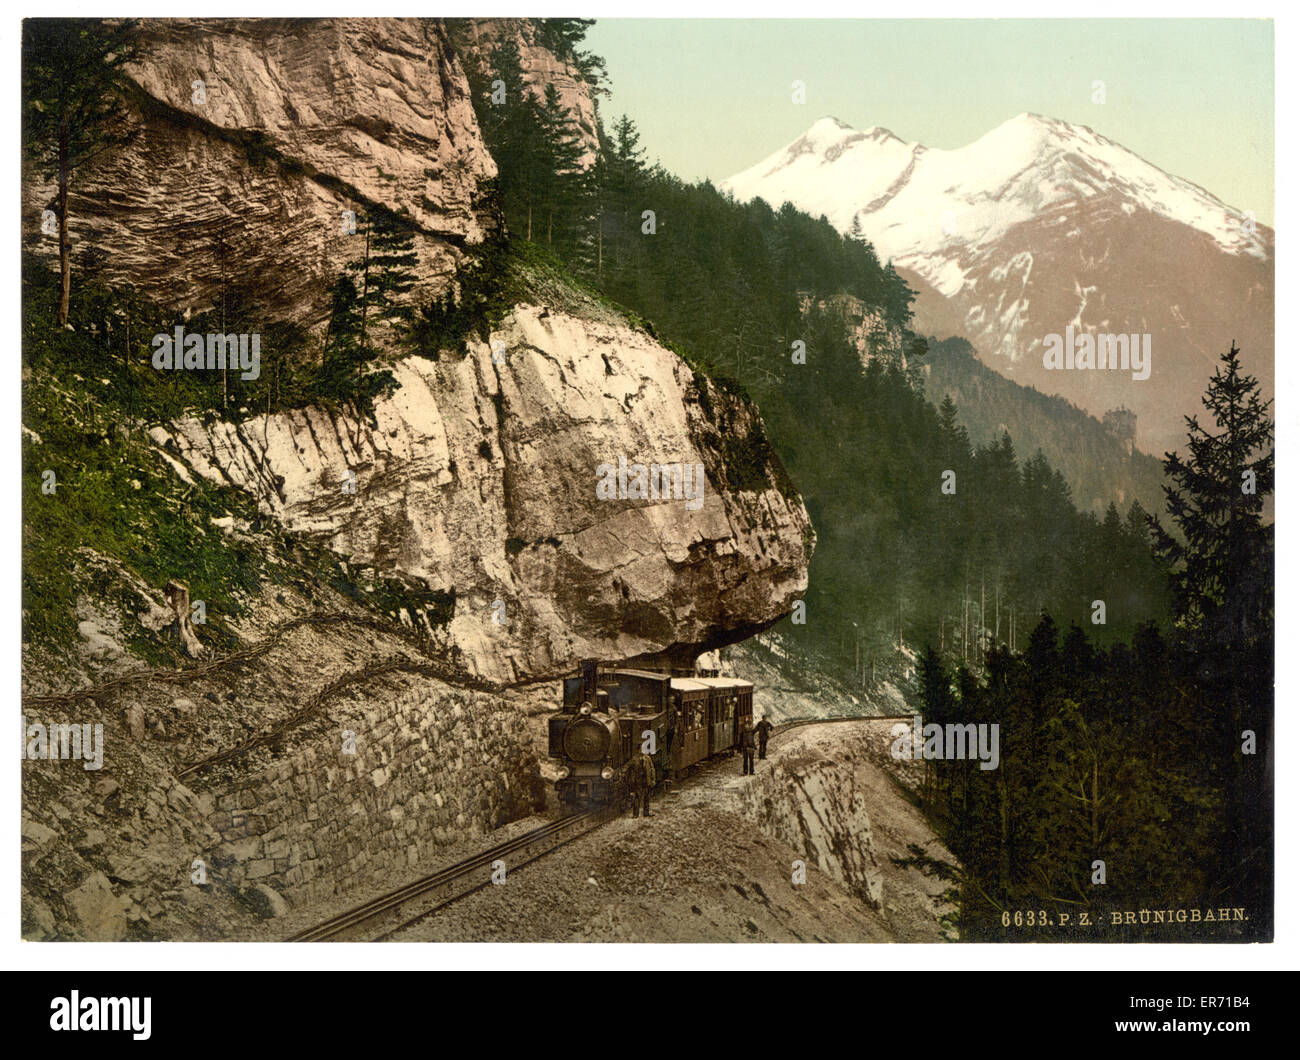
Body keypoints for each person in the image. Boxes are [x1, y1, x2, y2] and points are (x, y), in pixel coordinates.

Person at [628, 751, 655, 818]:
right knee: (637, 798)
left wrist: (653, 779)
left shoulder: (648, 758)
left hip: (646, 781)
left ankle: (646, 813)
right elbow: (629, 768)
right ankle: (635, 814)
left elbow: (652, 769)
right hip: (638, 782)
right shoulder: (634, 759)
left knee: (647, 797)